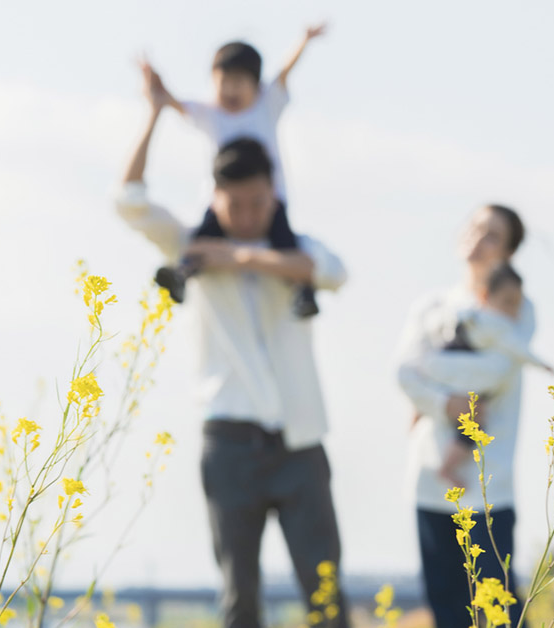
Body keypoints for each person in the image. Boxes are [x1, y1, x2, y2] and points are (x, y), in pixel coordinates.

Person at [116, 62, 349, 628]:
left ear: (275, 194)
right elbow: (128, 200)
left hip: (300, 441)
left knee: (324, 591)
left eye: (257, 204)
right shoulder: (190, 244)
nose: (246, 216)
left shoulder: (295, 251)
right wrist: (153, 113)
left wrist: (239, 257)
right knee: (238, 594)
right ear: (214, 196)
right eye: (234, 205)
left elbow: (334, 272)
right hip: (230, 442)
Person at [395, 204, 534, 628]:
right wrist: (449, 402)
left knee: (500, 613)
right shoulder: (431, 306)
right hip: (430, 480)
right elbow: (400, 371)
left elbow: (494, 370)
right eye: (474, 229)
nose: (478, 240)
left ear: (508, 254)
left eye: (492, 236)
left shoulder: (516, 307)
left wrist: (430, 374)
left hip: (489, 486)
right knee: (449, 612)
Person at [146, 24, 327, 317]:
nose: (230, 90)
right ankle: (182, 275)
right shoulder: (209, 113)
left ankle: (302, 293)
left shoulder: (265, 106)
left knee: (285, 244)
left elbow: (284, 73)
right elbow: (173, 104)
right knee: (200, 242)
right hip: (221, 203)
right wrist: (157, 86)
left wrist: (303, 40)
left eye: (238, 82)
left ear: (256, 85)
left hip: (269, 200)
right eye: (223, 82)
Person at [412, 262, 553, 487]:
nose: (512, 311)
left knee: (446, 402)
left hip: (450, 356)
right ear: (486, 295)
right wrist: (543, 365)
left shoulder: (470, 313)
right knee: (474, 426)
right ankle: (447, 468)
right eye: (507, 302)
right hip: (462, 365)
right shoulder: (498, 324)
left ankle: (419, 412)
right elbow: (518, 350)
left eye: (516, 305)